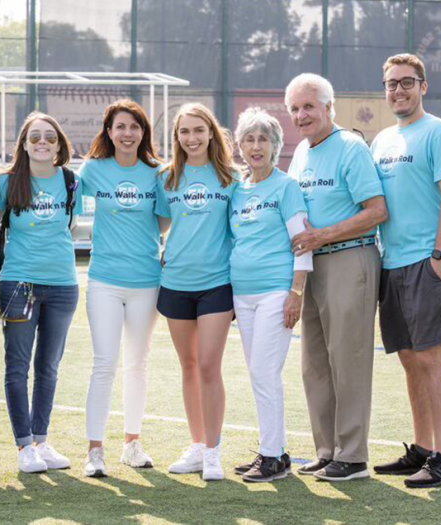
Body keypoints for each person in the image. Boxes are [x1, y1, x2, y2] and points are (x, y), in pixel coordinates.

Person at [285, 73, 387, 481]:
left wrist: (321, 236)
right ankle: (327, 450)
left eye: (309, 106)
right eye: (295, 108)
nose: (301, 115)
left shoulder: (350, 147)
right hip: (311, 267)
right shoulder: (300, 154)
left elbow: (376, 211)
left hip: (349, 259)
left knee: (349, 360)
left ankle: (353, 455)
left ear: (329, 108)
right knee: (315, 362)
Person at [371, 54, 441, 488]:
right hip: (391, 262)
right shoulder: (383, 139)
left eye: (407, 82)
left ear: (423, 86)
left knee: (430, 357)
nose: (398, 90)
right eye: (391, 84)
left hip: (427, 261)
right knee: (409, 360)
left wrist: (440, 255)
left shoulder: (439, 131)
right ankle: (422, 449)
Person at [79, 100, 164, 478]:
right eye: (120, 127)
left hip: (147, 282)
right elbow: (65, 197)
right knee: (104, 363)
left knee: (138, 364)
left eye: (134, 127)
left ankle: (132, 443)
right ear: (108, 132)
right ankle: (95, 450)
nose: (127, 133)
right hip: (104, 281)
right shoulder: (94, 169)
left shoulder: (158, 173)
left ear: (143, 133)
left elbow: (163, 222)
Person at [0, 112, 80, 474]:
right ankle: (24, 445)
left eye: (49, 137)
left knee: (49, 367)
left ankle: (42, 441)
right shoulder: (8, 183)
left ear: (59, 144)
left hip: (63, 286)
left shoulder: (72, 181)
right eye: (35, 138)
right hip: (19, 285)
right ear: (24, 145)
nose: (42, 143)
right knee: (18, 367)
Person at [155, 103, 238, 481]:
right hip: (175, 283)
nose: (191, 138)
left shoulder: (231, 177)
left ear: (211, 132)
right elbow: (156, 225)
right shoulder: (166, 178)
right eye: (184, 132)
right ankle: (197, 444)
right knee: (188, 366)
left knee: (208, 365)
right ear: (177, 137)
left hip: (217, 284)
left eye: (198, 130)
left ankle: (214, 451)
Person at [229, 107, 312, 482]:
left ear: (276, 145)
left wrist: (296, 292)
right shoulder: (237, 190)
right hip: (241, 296)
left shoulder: (286, 186)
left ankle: (273, 456)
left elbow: (302, 243)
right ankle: (271, 450)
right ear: (240, 146)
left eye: (264, 139)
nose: (256, 146)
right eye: (249, 139)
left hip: (276, 292)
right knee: (258, 374)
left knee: (265, 372)